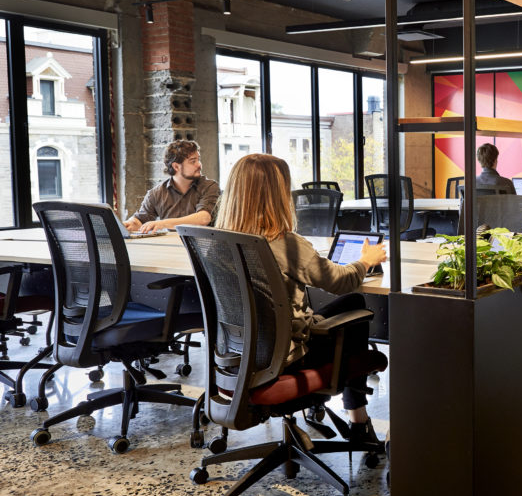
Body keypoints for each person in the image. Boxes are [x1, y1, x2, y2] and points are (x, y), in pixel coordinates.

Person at [215, 153, 388, 443]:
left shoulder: (214, 241)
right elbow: (342, 281)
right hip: (285, 361)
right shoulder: (286, 243)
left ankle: (354, 421)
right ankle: (358, 421)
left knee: (347, 307)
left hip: (238, 358)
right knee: (354, 307)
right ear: (276, 194)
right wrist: (365, 261)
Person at [124, 140, 220, 233]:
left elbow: (203, 218)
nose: (199, 165)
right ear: (176, 167)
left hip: (202, 248)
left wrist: (163, 224)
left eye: (198, 160)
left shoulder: (210, 187)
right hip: (170, 247)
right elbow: (139, 220)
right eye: (193, 161)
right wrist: (130, 224)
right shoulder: (156, 193)